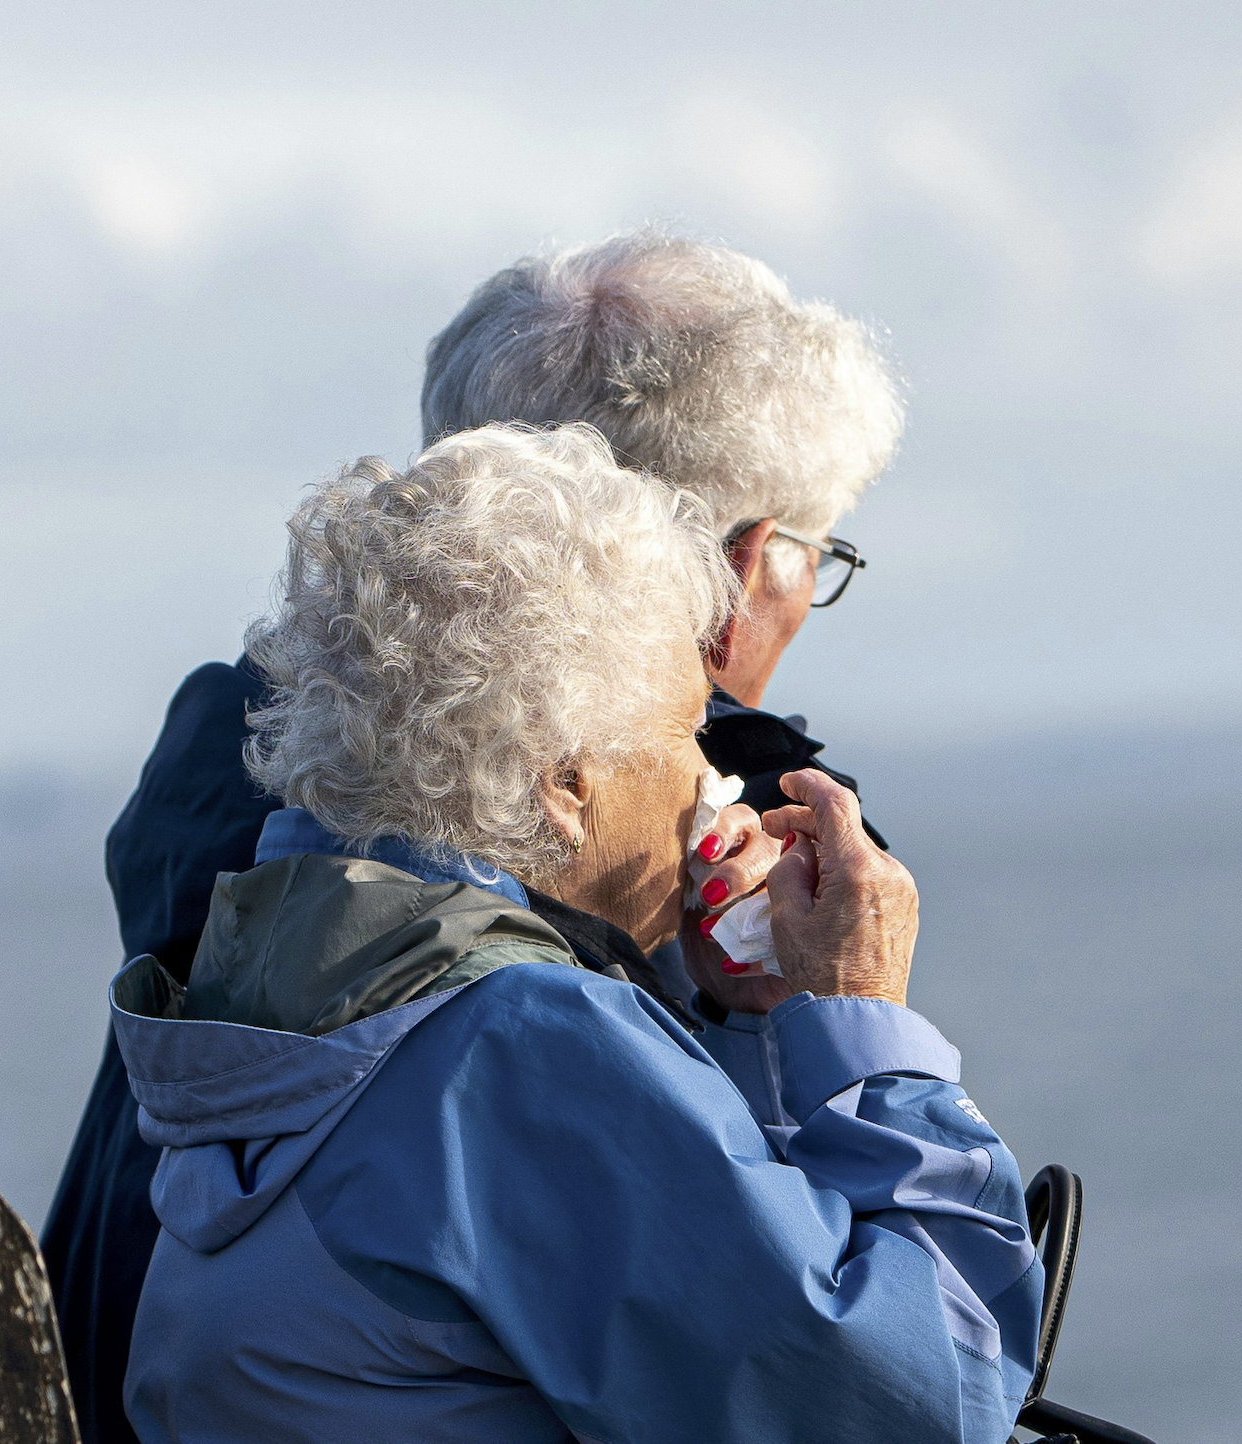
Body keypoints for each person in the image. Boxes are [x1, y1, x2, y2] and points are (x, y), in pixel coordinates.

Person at [41, 232, 907, 1443]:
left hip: (106, 1359)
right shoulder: (693, 822)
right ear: (744, 562)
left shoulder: (250, 744)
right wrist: (843, 1027)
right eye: (820, 557)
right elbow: (854, 1370)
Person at [115, 425, 1039, 1441]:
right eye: (688, 728)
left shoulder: (297, 982)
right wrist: (861, 1026)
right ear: (564, 784)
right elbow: (926, 1402)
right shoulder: (517, 1042)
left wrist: (746, 1020)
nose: (711, 776)